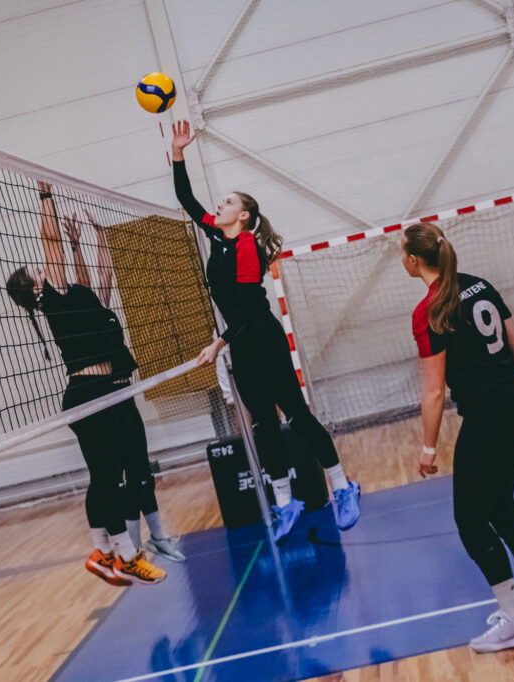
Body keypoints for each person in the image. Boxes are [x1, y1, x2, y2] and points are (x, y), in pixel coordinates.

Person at [170, 120, 361, 542]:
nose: (219, 205)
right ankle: (284, 502)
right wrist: (178, 153)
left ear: (244, 216)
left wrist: (218, 344)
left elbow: (249, 307)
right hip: (241, 345)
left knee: (297, 416)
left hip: (262, 339)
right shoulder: (218, 237)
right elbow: (186, 199)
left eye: (228, 202)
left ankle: (343, 486)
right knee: (263, 426)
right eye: (221, 201)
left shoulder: (246, 247)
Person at [5, 182, 180, 587]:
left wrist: (93, 238)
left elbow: (99, 276)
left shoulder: (76, 299)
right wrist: (45, 195)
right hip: (89, 394)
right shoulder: (53, 297)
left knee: (107, 475)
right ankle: (126, 556)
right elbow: (50, 242)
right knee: (107, 477)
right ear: (36, 288)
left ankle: (105, 552)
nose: (45, 267)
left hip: (102, 393)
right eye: (39, 271)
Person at [402, 222, 514, 652]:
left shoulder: (429, 310)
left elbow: (434, 391)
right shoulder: (479, 284)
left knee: (470, 519)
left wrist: (428, 447)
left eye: (403, 253)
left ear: (413, 260)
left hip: (489, 413)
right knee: (499, 503)